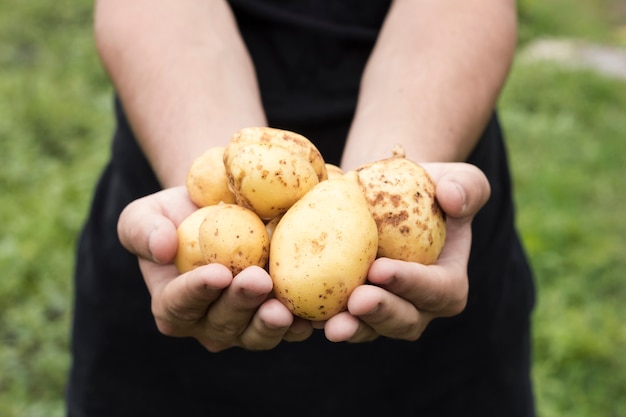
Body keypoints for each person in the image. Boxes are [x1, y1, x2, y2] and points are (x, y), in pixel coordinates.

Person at [67, 0, 536, 416]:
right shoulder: (217, 202)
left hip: (428, 136)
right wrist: (217, 192)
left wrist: (389, 183)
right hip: (180, 131)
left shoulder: (347, 199)